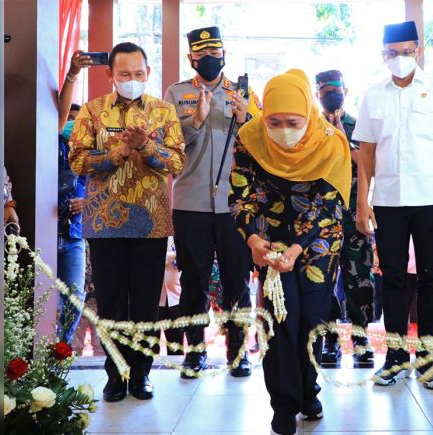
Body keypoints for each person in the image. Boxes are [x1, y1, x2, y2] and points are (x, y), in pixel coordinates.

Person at [229, 69, 351, 435]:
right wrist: (253, 240)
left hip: (318, 243)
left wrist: (298, 247)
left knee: (310, 320)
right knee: (280, 322)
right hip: (269, 243)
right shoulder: (249, 138)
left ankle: (309, 392)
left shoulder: (330, 141)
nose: (283, 129)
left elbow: (329, 203)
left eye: (293, 121)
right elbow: (241, 196)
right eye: (274, 121)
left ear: (307, 114)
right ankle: (283, 404)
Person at [353, 21, 433, 390]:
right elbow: (366, 154)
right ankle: (394, 357)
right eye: (392, 53)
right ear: (383, 55)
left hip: (432, 200)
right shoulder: (373, 95)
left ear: (418, 51)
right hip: (388, 201)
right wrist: (362, 201)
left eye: (406, 52)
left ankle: (430, 358)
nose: (400, 59)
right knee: (391, 278)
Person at [68, 42, 185, 401]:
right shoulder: (92, 111)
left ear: (147, 74)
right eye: (124, 75)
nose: (132, 80)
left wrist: (147, 147)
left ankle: (142, 375)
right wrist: (119, 151)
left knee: (146, 303)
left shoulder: (163, 112)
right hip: (104, 223)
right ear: (111, 75)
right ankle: (116, 375)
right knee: (112, 302)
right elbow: (77, 161)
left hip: (151, 223)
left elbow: (177, 163)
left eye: (138, 74)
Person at [164, 26, 262, 378]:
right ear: (191, 57)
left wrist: (245, 119)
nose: (209, 60)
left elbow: (261, 148)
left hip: (233, 205)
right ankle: (195, 351)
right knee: (194, 281)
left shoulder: (244, 94)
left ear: (224, 55)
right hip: (190, 203)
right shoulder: (176, 94)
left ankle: (238, 351)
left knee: (237, 281)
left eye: (214, 54)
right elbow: (168, 146)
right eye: (201, 55)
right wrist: (196, 121)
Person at [315, 69, 374, 367]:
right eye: (324, 91)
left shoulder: (358, 124)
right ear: (317, 95)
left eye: (335, 89)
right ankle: (329, 339)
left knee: (360, 278)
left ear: (346, 91)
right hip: (321, 216)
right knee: (322, 280)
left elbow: (369, 164)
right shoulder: (310, 126)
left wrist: (342, 139)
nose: (330, 94)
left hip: (354, 213)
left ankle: (362, 339)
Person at [56, 102, 87, 343]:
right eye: (70, 119)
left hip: (74, 234)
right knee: (47, 298)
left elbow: (99, 187)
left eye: (79, 121)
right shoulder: (50, 147)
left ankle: (61, 348)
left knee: (75, 296)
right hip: (47, 231)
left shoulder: (87, 155)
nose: (74, 125)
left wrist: (86, 201)